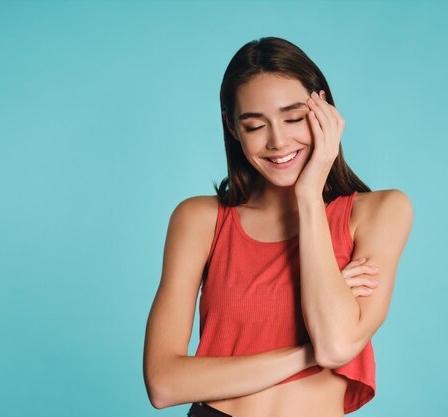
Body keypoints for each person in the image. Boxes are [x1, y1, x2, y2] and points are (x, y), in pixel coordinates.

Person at [143, 36, 413, 417]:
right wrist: (306, 353)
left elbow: (336, 345)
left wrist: (309, 194)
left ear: (324, 110)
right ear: (233, 128)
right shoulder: (201, 220)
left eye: (293, 118)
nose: (278, 141)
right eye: (255, 126)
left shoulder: (379, 211)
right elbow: (163, 383)